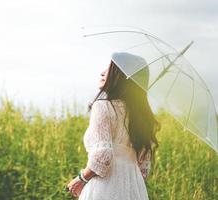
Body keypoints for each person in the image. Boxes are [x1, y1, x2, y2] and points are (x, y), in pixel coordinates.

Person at [66, 52, 161, 199]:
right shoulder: (142, 117)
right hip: (134, 188)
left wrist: (81, 179)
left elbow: (103, 155)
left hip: (105, 187)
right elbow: (143, 169)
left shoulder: (103, 107)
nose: (102, 72)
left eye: (109, 68)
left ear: (121, 75)